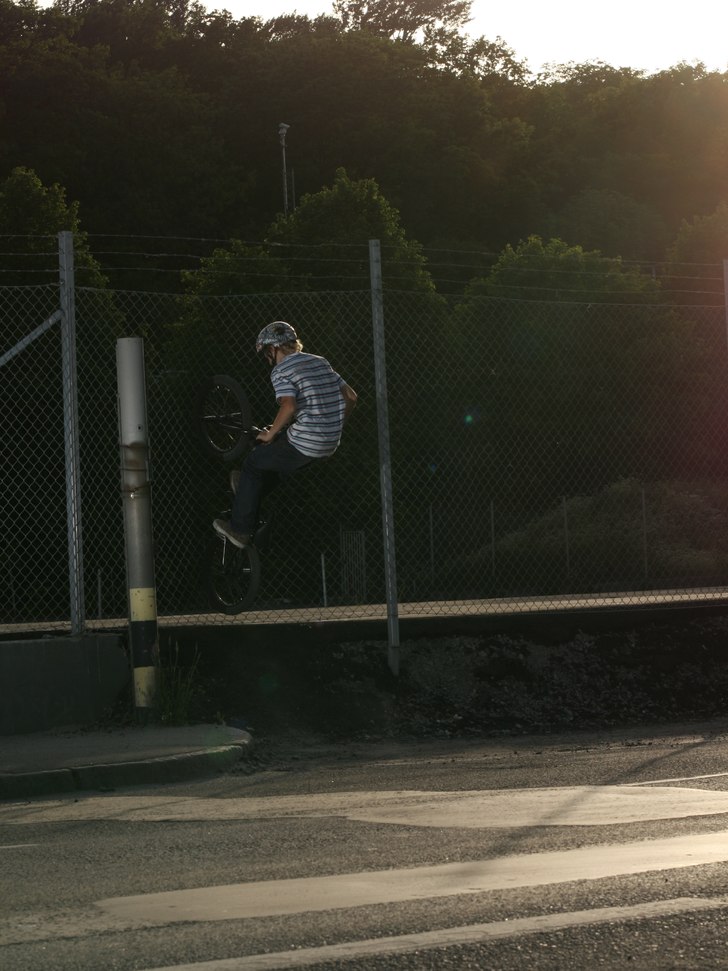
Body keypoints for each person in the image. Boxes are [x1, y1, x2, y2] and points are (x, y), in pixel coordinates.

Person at [213, 321, 357, 548]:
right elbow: (350, 396)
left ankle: (240, 530)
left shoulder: (281, 370)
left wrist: (270, 434)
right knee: (277, 457)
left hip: (306, 441)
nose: (268, 360)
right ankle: (250, 493)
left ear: (272, 349)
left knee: (252, 463)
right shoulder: (319, 361)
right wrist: (335, 426)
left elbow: (288, 406)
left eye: (267, 354)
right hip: (330, 442)